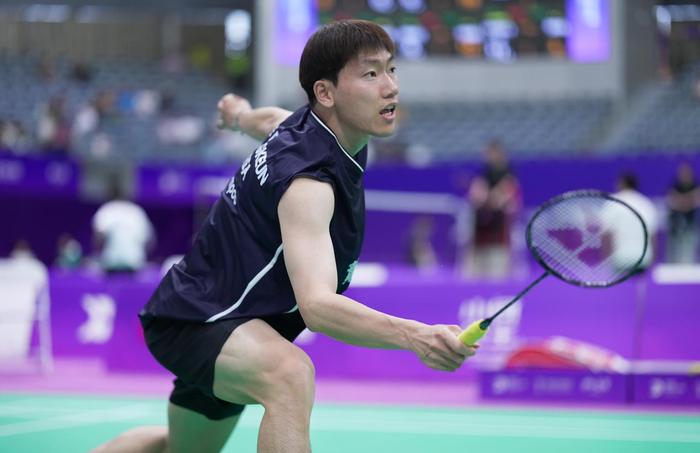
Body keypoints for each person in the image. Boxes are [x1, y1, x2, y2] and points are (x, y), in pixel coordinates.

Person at [92, 20, 476, 453]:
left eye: (391, 69)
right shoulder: (308, 185)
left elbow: (271, 119)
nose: (390, 87)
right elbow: (318, 307)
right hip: (202, 321)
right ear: (325, 93)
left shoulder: (310, 127)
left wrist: (239, 116)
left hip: (223, 316)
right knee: (289, 376)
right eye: (370, 74)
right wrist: (415, 336)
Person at [464, 140, 521, 280]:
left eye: (489, 153)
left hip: (499, 238)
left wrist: (492, 197)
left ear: (498, 154)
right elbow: (474, 197)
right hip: (479, 237)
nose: (486, 156)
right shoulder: (482, 173)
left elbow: (503, 200)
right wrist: (480, 196)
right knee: (474, 277)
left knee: (497, 278)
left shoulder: (509, 175)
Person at [92, 181, 155, 274]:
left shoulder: (106, 210)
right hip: (135, 263)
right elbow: (150, 241)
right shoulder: (137, 211)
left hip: (110, 263)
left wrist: (98, 256)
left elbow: (99, 237)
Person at [611, 173, 659, 271]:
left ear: (622, 184)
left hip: (620, 259)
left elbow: (607, 235)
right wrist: (652, 260)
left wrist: (607, 263)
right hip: (643, 260)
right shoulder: (647, 204)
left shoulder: (613, 203)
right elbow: (653, 235)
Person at [666, 162, 699, 264]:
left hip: (691, 223)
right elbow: (672, 200)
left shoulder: (695, 185)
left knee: (690, 251)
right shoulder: (675, 186)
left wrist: (681, 200)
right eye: (682, 173)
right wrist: (689, 199)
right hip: (676, 225)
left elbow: (696, 200)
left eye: (686, 173)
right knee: (674, 251)